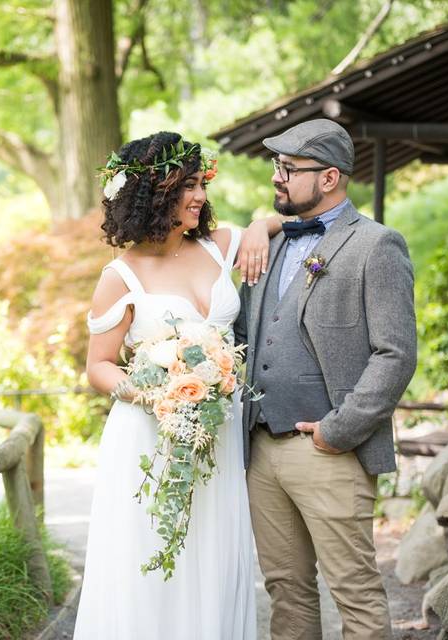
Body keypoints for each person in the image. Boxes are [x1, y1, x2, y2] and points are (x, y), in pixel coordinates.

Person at [75, 131, 280, 639]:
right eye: (186, 186)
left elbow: (289, 220)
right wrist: (154, 393)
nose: (200, 196)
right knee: (152, 558)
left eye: (200, 184)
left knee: (216, 553)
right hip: (152, 437)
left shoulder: (220, 246)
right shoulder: (121, 276)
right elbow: (99, 366)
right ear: (152, 193)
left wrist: (259, 225)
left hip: (219, 434)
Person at [234, 118, 417, 640]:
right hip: (261, 449)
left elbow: (396, 354)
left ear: (330, 177)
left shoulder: (377, 246)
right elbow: (246, 334)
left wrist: (339, 431)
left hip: (329, 450)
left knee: (355, 593)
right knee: (286, 591)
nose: (278, 177)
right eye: (277, 166)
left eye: (290, 169)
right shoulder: (266, 243)